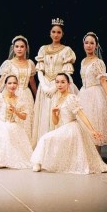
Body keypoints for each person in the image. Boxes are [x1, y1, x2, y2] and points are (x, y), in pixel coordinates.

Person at [30, 73, 107, 174]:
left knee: (45, 138)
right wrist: (53, 113)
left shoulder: (71, 98)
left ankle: (38, 162)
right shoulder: (58, 99)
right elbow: (55, 122)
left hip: (72, 128)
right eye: (57, 82)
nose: (59, 85)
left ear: (68, 84)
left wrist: (92, 130)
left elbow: (81, 114)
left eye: (63, 82)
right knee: (46, 138)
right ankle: (39, 162)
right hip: (64, 128)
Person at [32, 18, 78, 147]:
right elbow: (39, 69)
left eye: (58, 32)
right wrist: (44, 86)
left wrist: (54, 88)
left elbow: (67, 72)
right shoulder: (43, 49)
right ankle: (43, 147)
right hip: (44, 86)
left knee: (57, 115)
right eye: (53, 32)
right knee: (44, 116)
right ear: (50, 33)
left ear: (62, 34)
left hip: (59, 86)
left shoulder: (66, 50)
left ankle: (56, 148)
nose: (56, 34)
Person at [0, 35, 37, 141]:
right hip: (12, 94)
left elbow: (32, 82)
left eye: (22, 46)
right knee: (11, 121)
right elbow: (1, 81)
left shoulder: (30, 63)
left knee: (25, 121)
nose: (19, 49)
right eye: (17, 46)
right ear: (13, 48)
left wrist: (36, 96)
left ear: (26, 48)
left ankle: (24, 146)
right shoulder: (8, 64)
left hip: (26, 95)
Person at [78, 32, 107, 161]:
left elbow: (103, 81)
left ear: (96, 45)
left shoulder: (98, 62)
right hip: (84, 93)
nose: (89, 45)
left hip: (96, 94)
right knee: (87, 123)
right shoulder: (83, 61)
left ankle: (99, 157)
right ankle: (90, 156)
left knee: (98, 123)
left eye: (92, 43)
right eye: (86, 43)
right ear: (83, 44)